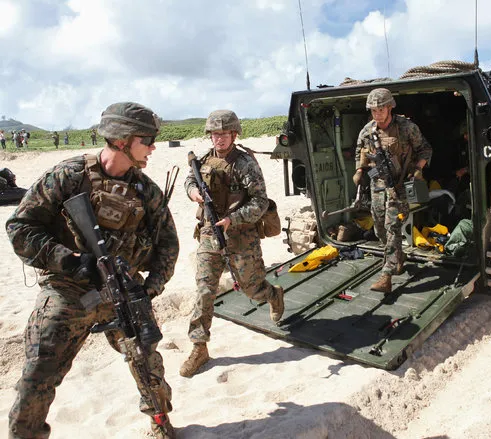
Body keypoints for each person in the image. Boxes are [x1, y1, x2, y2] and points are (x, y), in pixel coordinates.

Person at [6, 102, 179, 439]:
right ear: (122, 140)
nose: (153, 148)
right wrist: (68, 259)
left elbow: (168, 246)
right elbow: (20, 228)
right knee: (37, 375)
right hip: (68, 289)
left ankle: (161, 425)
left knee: (148, 366)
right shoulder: (68, 176)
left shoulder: (147, 190)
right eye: (147, 140)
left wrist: (149, 289)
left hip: (123, 291)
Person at [179, 109, 285, 378]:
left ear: (234, 134)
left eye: (224, 134)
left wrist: (232, 219)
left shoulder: (245, 164)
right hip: (208, 235)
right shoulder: (204, 161)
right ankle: (199, 347)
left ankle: (273, 295)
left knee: (252, 289)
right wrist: (193, 192)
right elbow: (190, 179)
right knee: (204, 290)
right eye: (215, 134)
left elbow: (260, 202)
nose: (219, 139)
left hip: (241, 236)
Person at [353, 88, 432, 294]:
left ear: (390, 107)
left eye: (381, 109)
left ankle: (386, 275)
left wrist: (417, 169)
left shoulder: (407, 128)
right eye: (373, 110)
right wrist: (359, 170)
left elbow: (425, 149)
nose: (377, 114)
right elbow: (359, 151)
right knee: (379, 226)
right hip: (377, 184)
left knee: (392, 227)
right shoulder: (368, 131)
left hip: (400, 185)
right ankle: (398, 256)